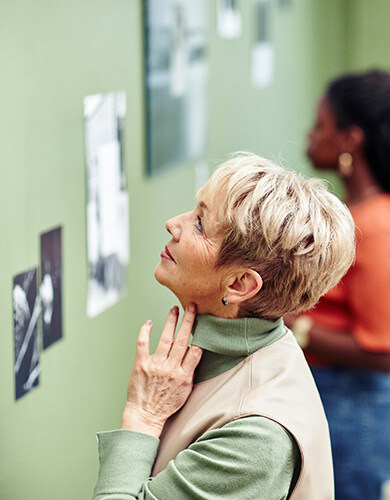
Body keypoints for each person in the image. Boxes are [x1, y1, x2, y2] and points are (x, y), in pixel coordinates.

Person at [92, 153, 356, 500]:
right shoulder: (258, 349)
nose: (173, 224)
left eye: (200, 224)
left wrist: (143, 415)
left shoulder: (256, 440)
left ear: (240, 284)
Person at [289, 70, 390, 500]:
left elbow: (383, 351)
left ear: (351, 140)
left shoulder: (378, 226)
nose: (310, 135)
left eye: (320, 125)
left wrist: (295, 325)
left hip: (356, 414)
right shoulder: (357, 214)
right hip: (340, 402)